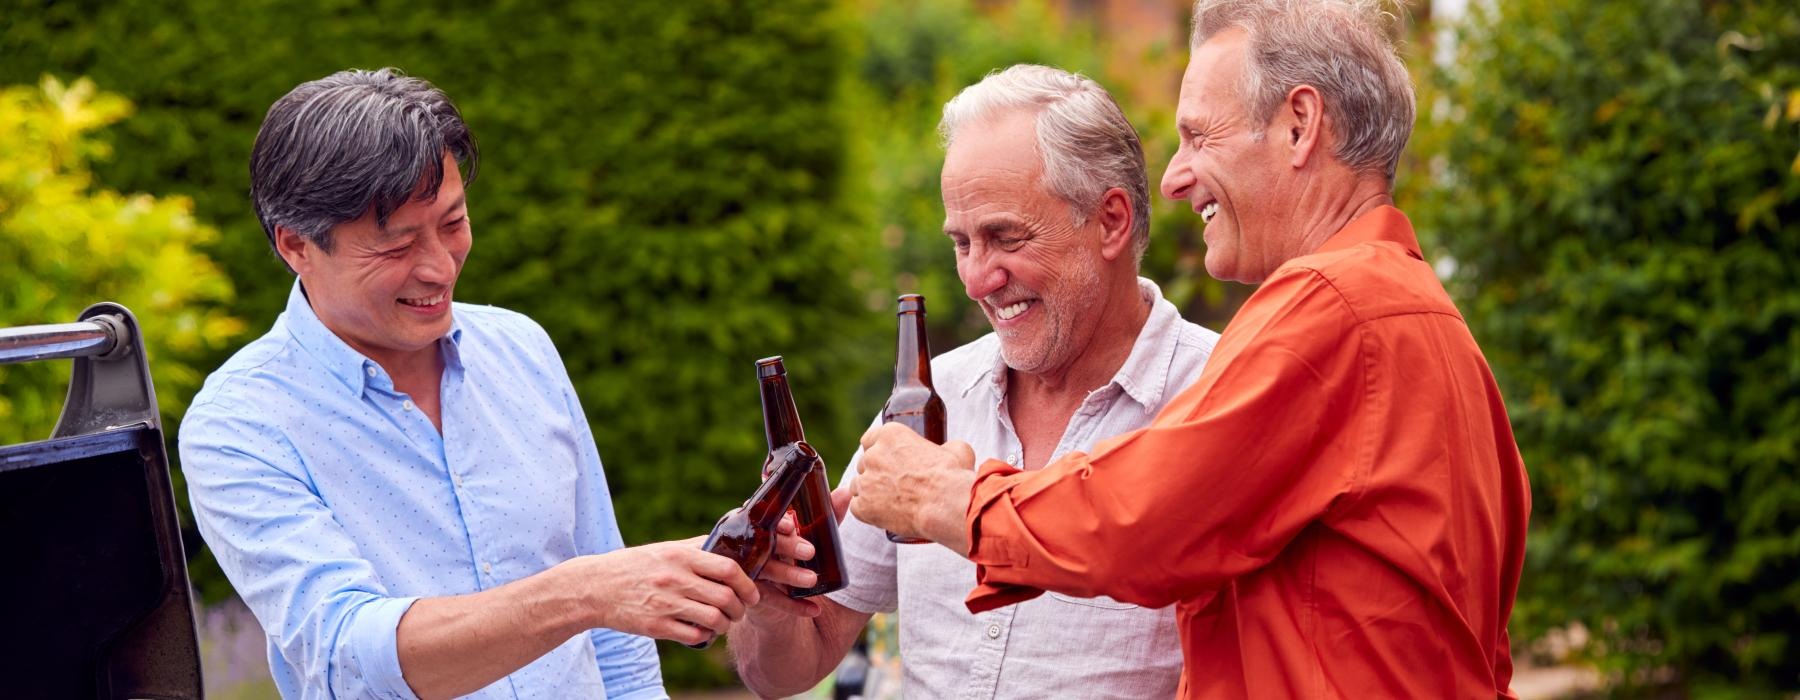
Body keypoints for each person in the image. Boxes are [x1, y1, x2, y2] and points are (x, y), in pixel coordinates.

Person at [849, 1, 1533, 697]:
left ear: (1300, 126)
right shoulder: (1428, 321)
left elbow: (1138, 520)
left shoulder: (1337, 310)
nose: (1173, 178)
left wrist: (943, 496)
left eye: (1199, 136)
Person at [181, 68, 812, 699]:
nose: (438, 266)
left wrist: (621, 593)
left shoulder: (521, 348)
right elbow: (350, 653)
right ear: (296, 246)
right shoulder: (240, 424)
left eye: (452, 222)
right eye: (396, 245)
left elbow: (617, 634)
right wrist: (584, 592)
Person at [729, 64, 1219, 699]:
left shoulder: (1216, 395)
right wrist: (769, 607)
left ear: (1111, 222)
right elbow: (796, 662)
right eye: (962, 243)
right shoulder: (935, 397)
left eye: (1005, 237)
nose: (977, 278)